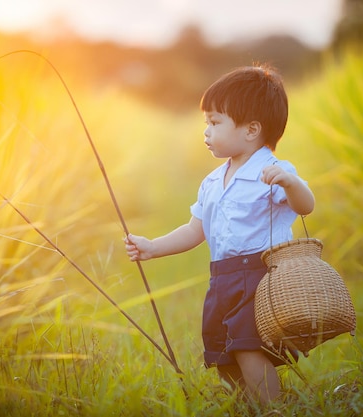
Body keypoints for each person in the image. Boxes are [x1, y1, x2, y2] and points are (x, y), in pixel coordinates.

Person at [124, 64, 315, 405]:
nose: (206, 131)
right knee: (223, 350)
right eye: (205, 123)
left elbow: (305, 206)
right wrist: (153, 247)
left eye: (215, 122)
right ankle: (245, 403)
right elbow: (195, 229)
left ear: (251, 130)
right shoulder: (213, 182)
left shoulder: (272, 172)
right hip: (223, 279)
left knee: (249, 347)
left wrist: (291, 183)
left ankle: (273, 408)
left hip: (260, 277)